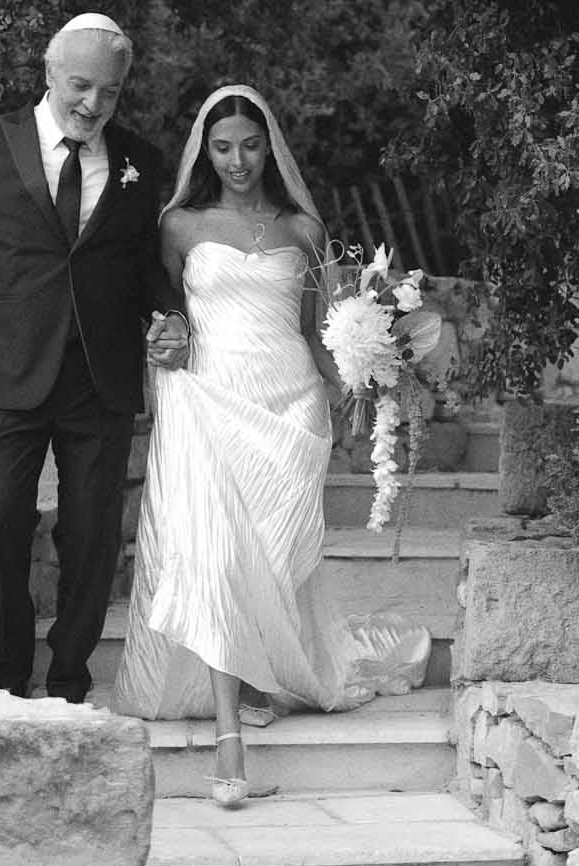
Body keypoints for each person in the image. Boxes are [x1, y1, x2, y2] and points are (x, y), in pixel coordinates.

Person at [112, 85, 425, 805]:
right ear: (204, 150)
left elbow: (321, 326)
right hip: (206, 398)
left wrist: (361, 379)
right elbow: (162, 317)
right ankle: (229, 748)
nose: (238, 161)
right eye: (222, 148)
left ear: (270, 146)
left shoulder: (303, 229)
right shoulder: (179, 226)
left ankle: (264, 676)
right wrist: (160, 348)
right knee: (216, 556)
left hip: (288, 402)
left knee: (275, 554)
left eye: (249, 146)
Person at [0, 12, 186, 702]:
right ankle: (7, 670)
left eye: (111, 92)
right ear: (49, 72)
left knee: (92, 535)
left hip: (101, 375)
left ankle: (66, 679)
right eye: (81, 86)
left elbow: (143, 267)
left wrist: (172, 314)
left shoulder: (137, 162)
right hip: (6, 368)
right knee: (0, 516)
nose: (93, 104)